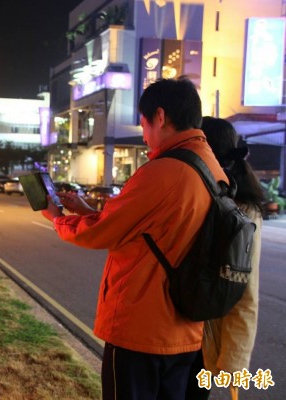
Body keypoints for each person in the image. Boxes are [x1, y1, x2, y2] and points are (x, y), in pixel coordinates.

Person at [41, 78, 229, 399]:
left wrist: (58, 218)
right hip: (187, 329)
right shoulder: (212, 168)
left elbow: (103, 231)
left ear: (159, 116)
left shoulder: (164, 171)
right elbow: (149, 227)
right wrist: (86, 207)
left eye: (143, 123)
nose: (144, 134)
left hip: (141, 332)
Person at [186, 117, 264, 400]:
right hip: (167, 332)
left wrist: (233, 362)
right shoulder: (189, 191)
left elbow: (245, 291)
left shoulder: (241, 211)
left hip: (198, 341)